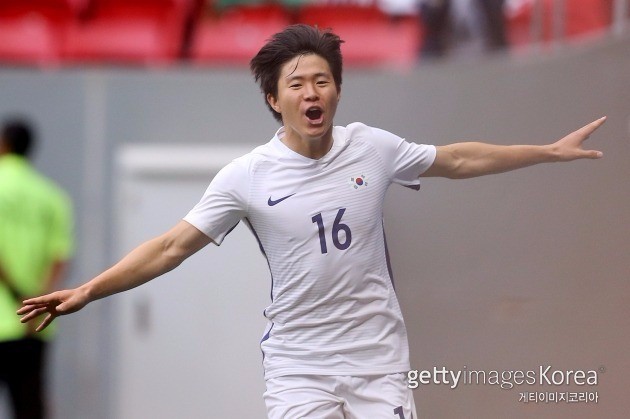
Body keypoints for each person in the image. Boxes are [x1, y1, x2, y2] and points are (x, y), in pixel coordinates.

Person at [18, 25, 604, 418]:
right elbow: (171, 245)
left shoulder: (372, 148)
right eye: (296, 83)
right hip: (301, 363)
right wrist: (90, 290)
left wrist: (546, 151)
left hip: (379, 358)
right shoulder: (246, 176)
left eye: (321, 80)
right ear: (275, 99)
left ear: (338, 90)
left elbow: (457, 158)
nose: (310, 92)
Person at [0, 119, 74, 419]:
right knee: (30, 407)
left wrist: (17, 293)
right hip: (35, 323)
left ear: (3, 145)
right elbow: (60, 257)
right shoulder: (52, 196)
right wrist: (38, 302)